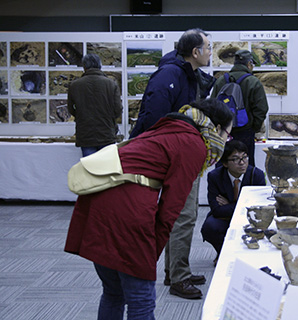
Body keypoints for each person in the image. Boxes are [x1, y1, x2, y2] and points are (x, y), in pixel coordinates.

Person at [64, 99, 233, 320]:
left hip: (98, 202)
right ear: (217, 128)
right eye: (227, 135)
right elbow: (172, 208)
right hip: (127, 211)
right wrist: (150, 253)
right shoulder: (194, 144)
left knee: (114, 292)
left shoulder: (169, 126)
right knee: (141, 300)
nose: (226, 141)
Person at [129, 28, 215, 300]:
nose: (211, 52)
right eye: (208, 48)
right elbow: (155, 119)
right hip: (175, 156)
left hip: (182, 153)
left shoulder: (185, 75)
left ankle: (176, 271)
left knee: (181, 215)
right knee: (183, 215)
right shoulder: (171, 75)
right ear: (195, 52)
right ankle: (178, 277)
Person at [201, 140, 266, 264]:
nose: (242, 163)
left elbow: (258, 208)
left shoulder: (256, 175)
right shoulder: (215, 176)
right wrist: (243, 205)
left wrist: (230, 205)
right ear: (225, 163)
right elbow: (216, 210)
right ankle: (223, 254)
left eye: (245, 157)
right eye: (236, 159)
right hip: (224, 218)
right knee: (210, 227)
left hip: (249, 219)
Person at [211, 50, 269, 167]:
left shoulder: (221, 80)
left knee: (223, 167)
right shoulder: (253, 82)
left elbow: (212, 106)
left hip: (224, 133)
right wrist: (253, 128)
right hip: (245, 133)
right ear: (249, 64)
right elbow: (261, 109)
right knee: (245, 167)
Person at [67, 53, 123, 157]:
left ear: (84, 67)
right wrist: (109, 119)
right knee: (106, 169)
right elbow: (118, 109)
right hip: (106, 133)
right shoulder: (111, 84)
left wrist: (81, 117)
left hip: (85, 134)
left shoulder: (75, 85)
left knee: (89, 169)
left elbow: (71, 109)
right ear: (100, 66)